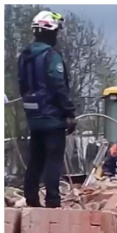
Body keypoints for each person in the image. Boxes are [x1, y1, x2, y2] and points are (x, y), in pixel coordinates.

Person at [18, 11, 76, 208]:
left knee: (35, 158)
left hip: (34, 117)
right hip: (52, 117)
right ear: (50, 31)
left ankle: (31, 198)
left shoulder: (24, 57)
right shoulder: (51, 56)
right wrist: (69, 112)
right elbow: (58, 85)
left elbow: (22, 86)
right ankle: (53, 201)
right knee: (53, 159)